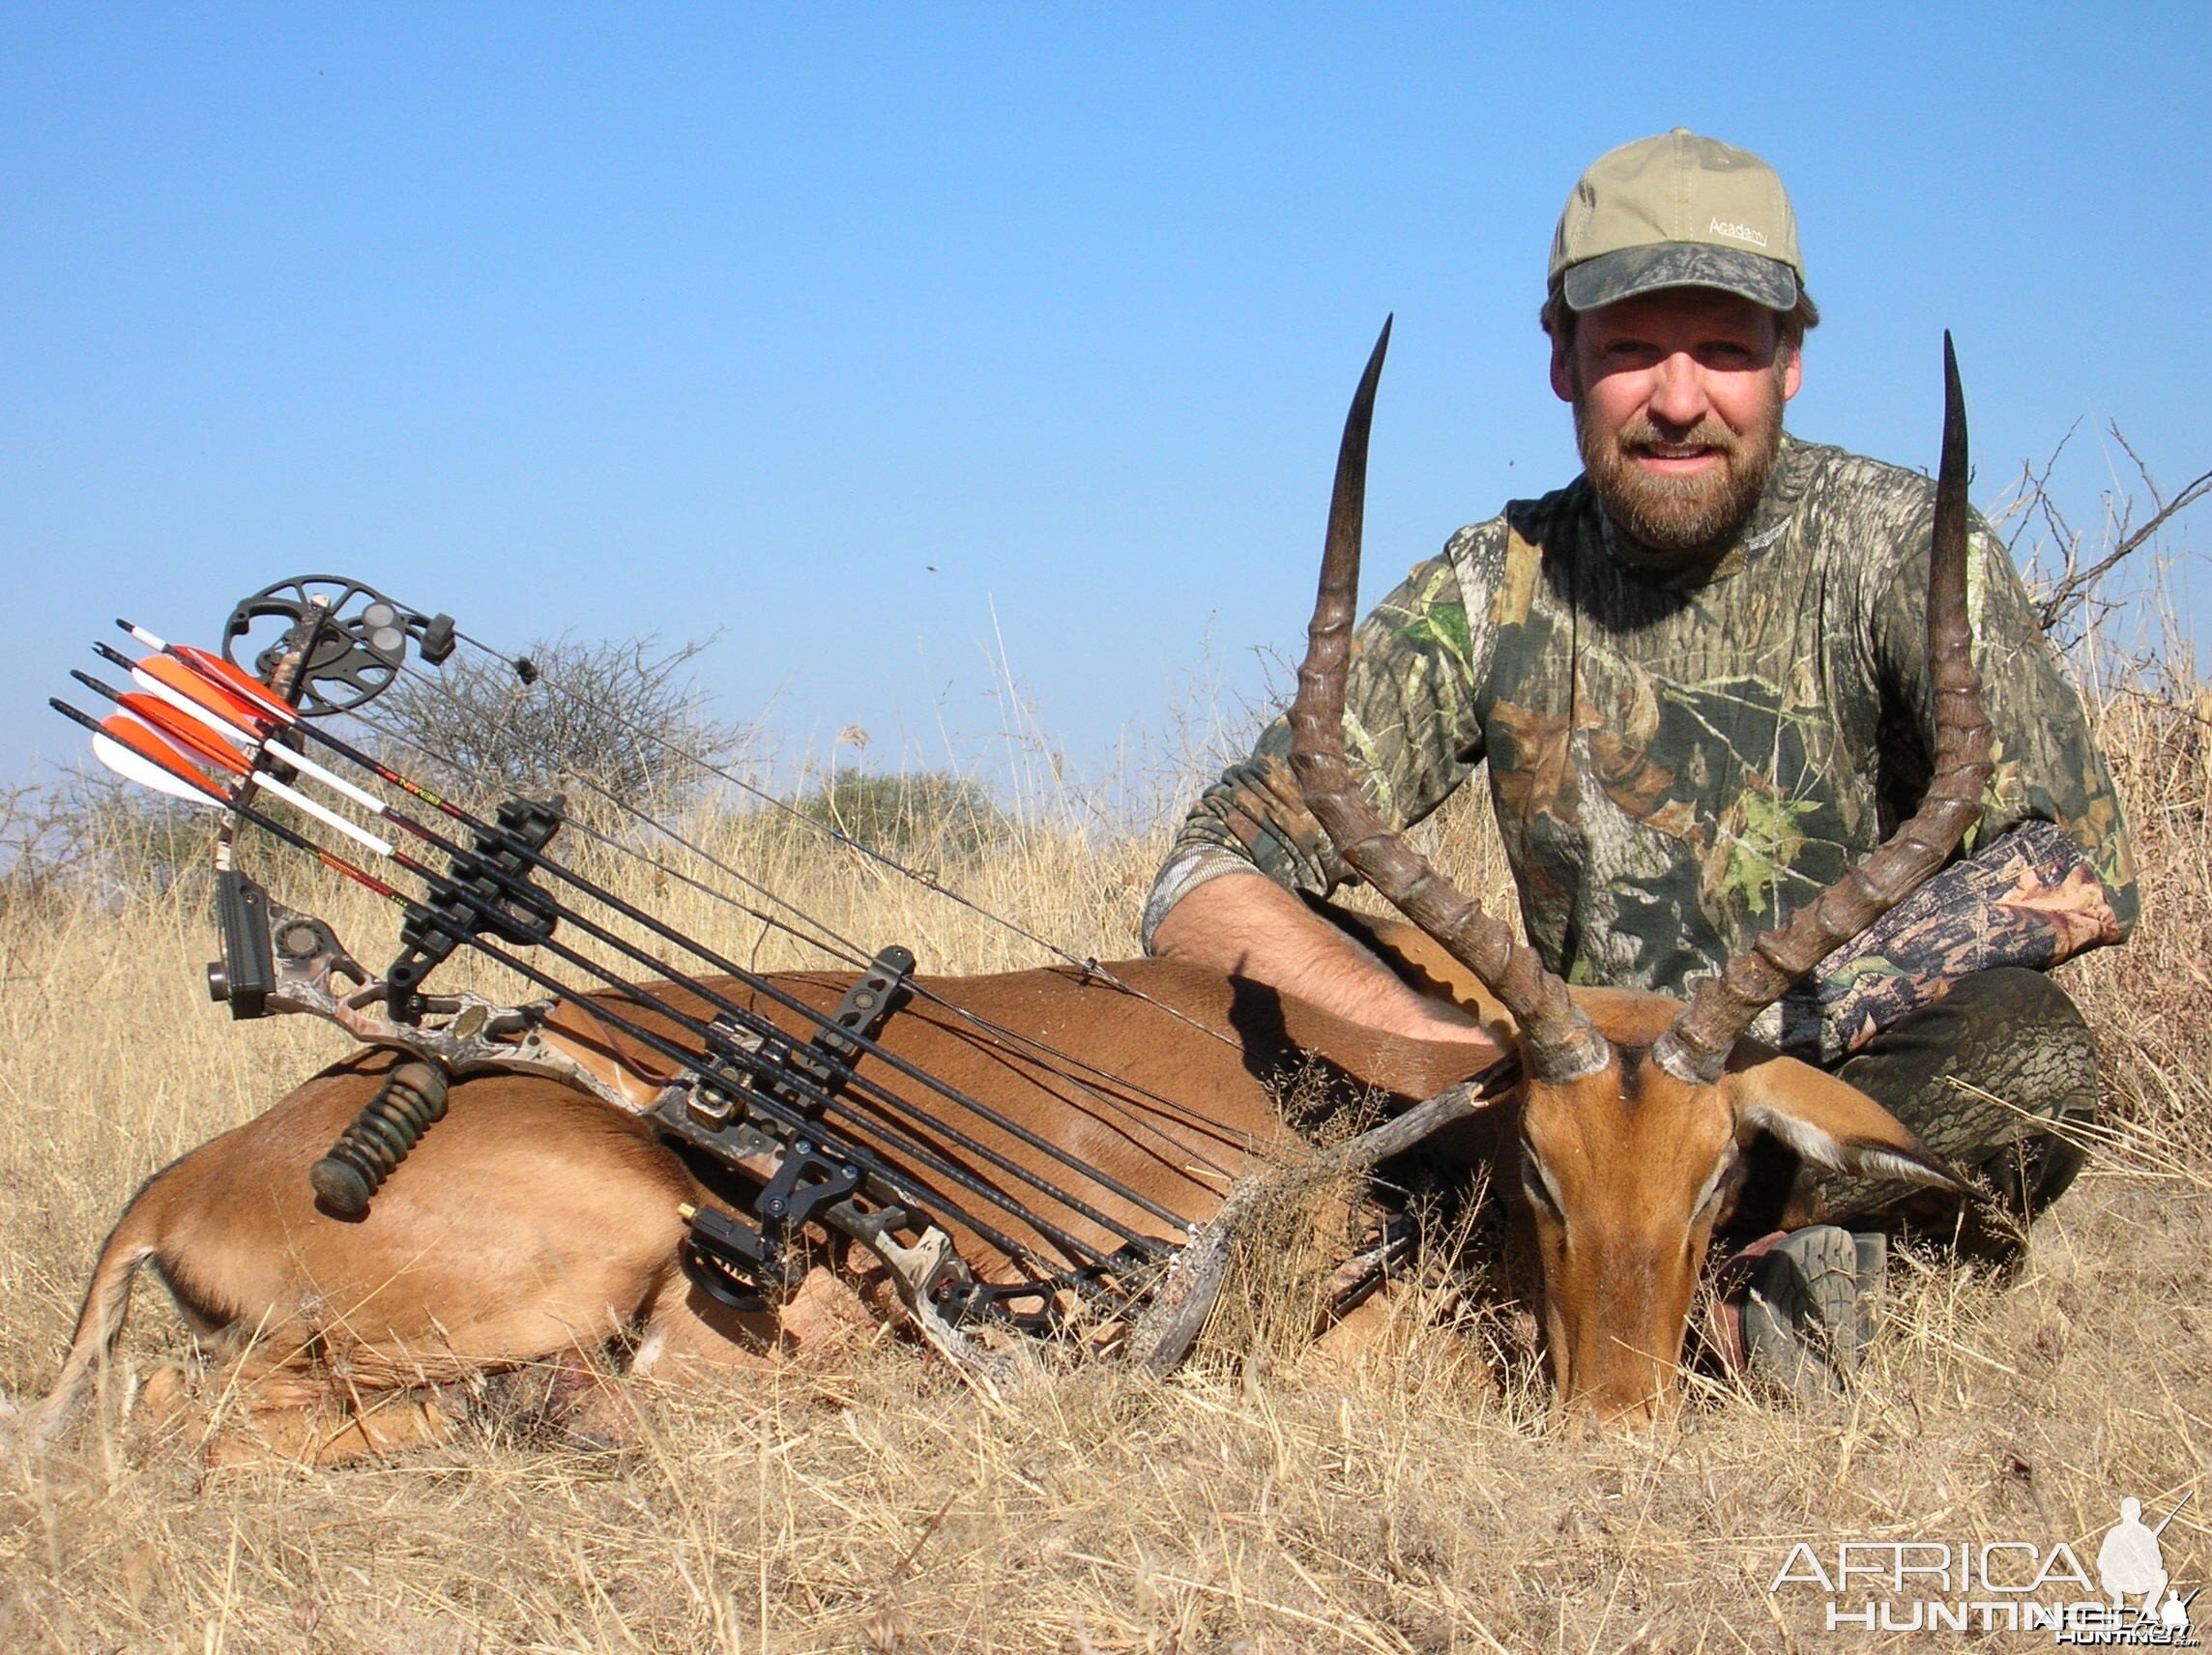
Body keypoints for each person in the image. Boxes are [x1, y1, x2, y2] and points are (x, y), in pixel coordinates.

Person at [1144, 129, 2136, 1379]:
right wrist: (1468, 1070)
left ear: (1790, 364)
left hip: (1789, 1095)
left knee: (2027, 1051)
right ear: (1562, 361)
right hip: (1552, 1122)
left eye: (1725, 349)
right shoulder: (1488, 583)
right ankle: (1559, 1264)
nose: (1678, 398)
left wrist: (1726, 1045)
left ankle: (1767, 1288)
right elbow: (1201, 873)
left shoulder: (1900, 545)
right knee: (1286, 984)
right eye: (1629, 350)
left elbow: (2084, 860)